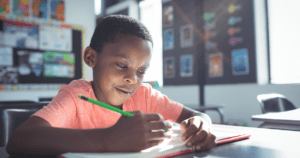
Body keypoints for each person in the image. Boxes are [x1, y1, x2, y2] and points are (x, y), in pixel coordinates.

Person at [6, 15, 216, 155]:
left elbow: (198, 116)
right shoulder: (76, 96)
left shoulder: (144, 95)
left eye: (141, 71)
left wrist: (200, 125)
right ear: (90, 58)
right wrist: (108, 139)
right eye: (122, 65)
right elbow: (19, 140)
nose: (133, 79)